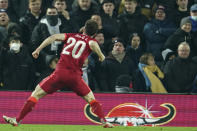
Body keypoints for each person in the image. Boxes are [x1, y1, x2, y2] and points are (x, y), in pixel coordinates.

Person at [2, 20, 114, 128]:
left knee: (36, 94)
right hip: (75, 77)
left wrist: (38, 49)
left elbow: (53, 37)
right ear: (95, 33)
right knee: (91, 99)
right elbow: (102, 57)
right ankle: (104, 122)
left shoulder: (70, 36)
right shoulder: (92, 42)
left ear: (83, 28)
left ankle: (17, 120)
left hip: (59, 73)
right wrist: (100, 57)